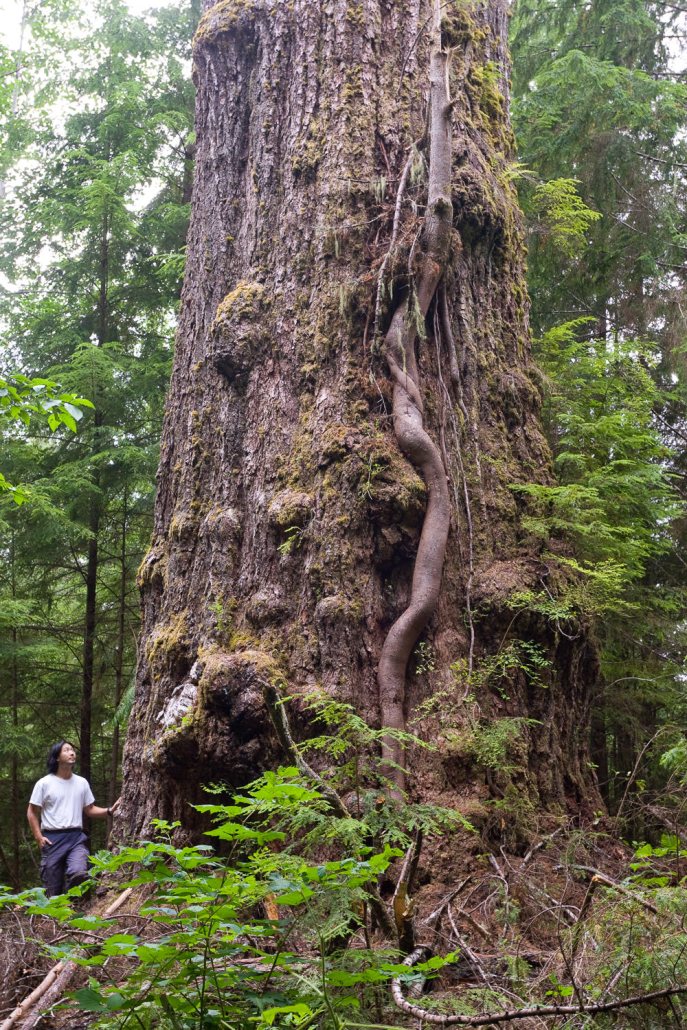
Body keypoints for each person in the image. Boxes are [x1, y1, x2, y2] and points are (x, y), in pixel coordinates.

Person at [27, 740, 121, 897]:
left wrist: (109, 811)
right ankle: (55, 917)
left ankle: (72, 908)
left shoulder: (81, 783)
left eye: (72, 750)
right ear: (57, 757)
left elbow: (90, 810)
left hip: (76, 838)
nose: (71, 753)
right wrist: (38, 837)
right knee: (52, 888)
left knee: (79, 873)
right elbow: (31, 812)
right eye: (66, 750)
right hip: (52, 839)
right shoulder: (44, 783)